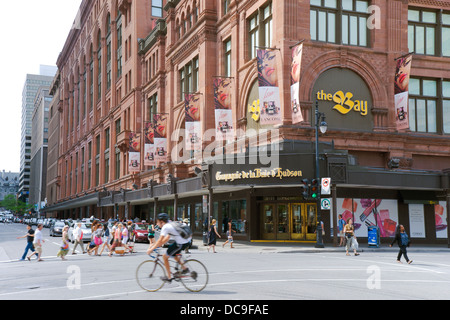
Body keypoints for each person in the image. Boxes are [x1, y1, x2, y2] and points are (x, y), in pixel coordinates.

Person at [146, 213, 190, 283]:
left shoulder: (165, 227)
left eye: (157, 222)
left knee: (165, 256)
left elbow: (160, 240)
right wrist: (157, 245)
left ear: (161, 221)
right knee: (172, 254)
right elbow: (166, 239)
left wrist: (151, 249)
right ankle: (185, 268)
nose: (157, 224)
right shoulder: (170, 224)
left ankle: (169, 277)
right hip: (184, 241)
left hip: (181, 243)